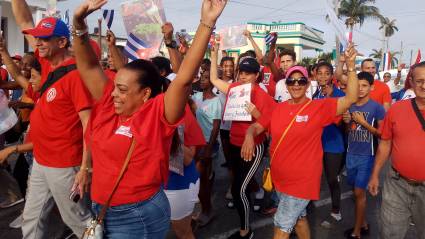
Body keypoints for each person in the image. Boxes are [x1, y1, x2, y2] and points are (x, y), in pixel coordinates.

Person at [72, 0, 227, 238]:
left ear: (145, 93)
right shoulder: (108, 106)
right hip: (102, 208)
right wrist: (79, 23)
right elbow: (89, 67)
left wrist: (207, 22)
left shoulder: (157, 114)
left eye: (122, 90)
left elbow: (184, 78)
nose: (113, 94)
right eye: (115, 87)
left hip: (137, 215)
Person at [241, 43, 359, 239]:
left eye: (301, 81)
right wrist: (248, 136)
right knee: (300, 219)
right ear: (286, 84)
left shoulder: (318, 108)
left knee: (281, 226)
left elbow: (351, 97)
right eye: (292, 81)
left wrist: (352, 67)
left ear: (307, 84)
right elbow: (258, 126)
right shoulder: (277, 109)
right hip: (280, 180)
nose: (296, 85)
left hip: (301, 182)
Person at [11, 0, 95, 237]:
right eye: (38, 38)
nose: (38, 42)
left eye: (44, 38)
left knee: (79, 221)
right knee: (31, 218)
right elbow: (25, 21)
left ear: (62, 42)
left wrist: (84, 167)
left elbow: (88, 123)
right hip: (41, 160)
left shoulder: (76, 75)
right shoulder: (48, 64)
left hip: (65, 165)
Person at [210, 41, 276, 238]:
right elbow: (214, 79)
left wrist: (256, 115)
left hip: (252, 148)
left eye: (248, 73)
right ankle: (251, 211)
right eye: (242, 72)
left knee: (239, 189)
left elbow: (268, 125)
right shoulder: (235, 88)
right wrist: (214, 55)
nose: (244, 76)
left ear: (257, 76)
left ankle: (246, 231)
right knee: (240, 187)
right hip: (234, 144)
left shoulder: (263, 96)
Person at [368, 61, 425, 239]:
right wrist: (375, 174)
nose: (424, 85)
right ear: (412, 82)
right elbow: (385, 143)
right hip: (397, 183)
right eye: (419, 80)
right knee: (390, 234)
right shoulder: (396, 109)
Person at [342, 72, 385, 239]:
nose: (360, 89)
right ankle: (364, 224)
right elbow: (348, 132)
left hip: (367, 156)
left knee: (359, 193)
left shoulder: (377, 108)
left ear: (372, 87)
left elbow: (382, 134)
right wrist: (347, 123)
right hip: (351, 154)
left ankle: (357, 232)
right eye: (357, 85)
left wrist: (364, 123)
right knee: (355, 192)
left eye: (364, 85)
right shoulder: (350, 105)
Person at [312, 62, 345, 228]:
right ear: (315, 75)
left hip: (334, 145)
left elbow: (344, 125)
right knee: (313, 176)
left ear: (332, 76)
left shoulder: (340, 95)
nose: (323, 76)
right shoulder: (315, 94)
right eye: (320, 73)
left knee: (332, 179)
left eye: (327, 73)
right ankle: (306, 206)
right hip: (316, 144)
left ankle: (336, 212)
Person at [165, 110, 205, 239]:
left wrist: (164, 131)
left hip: (177, 184)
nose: (115, 94)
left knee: (183, 232)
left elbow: (189, 158)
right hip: (153, 185)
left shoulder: (181, 111)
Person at [192, 65, 222, 225]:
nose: (201, 80)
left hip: (207, 145)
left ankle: (207, 211)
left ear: (211, 81)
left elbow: (216, 127)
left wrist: (208, 149)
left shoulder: (216, 101)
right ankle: (206, 210)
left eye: (205, 78)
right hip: (195, 144)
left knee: (201, 180)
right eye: (201, 77)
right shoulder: (196, 97)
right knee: (201, 181)